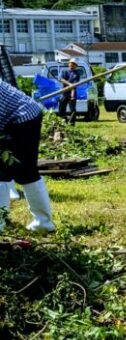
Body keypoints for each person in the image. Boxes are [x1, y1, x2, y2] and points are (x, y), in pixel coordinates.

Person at [0, 80, 55, 232]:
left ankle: (42, 223)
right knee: (25, 172)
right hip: (21, 116)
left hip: (23, 118)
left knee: (10, 172)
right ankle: (43, 223)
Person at [57, 59, 83, 124]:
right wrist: (70, 84)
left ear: (76, 66)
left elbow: (74, 85)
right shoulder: (64, 71)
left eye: (74, 64)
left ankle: (72, 123)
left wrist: (72, 95)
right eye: (71, 63)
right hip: (63, 93)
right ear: (69, 64)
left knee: (73, 110)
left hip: (72, 93)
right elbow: (61, 79)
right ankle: (63, 122)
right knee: (61, 109)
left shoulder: (77, 74)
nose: (72, 65)